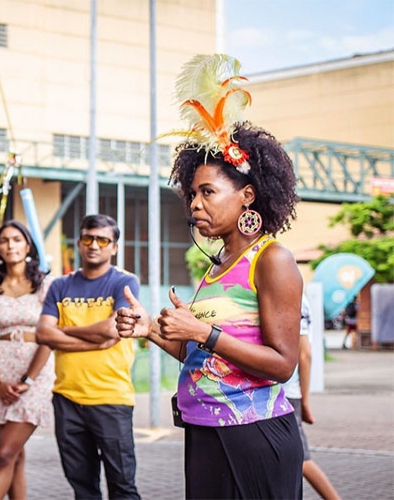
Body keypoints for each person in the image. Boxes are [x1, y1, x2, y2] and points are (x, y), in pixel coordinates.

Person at [116, 54, 303, 499]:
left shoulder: (271, 259)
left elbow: (282, 365)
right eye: (191, 193)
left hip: (254, 435)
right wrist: (152, 332)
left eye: (207, 192)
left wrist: (203, 329)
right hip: (205, 430)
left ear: (247, 197)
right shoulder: (217, 266)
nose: (194, 204)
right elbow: (205, 359)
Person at [36, 214, 142, 500]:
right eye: (87, 238)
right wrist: (95, 341)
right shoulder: (60, 286)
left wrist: (65, 330)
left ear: (114, 247)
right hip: (67, 399)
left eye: (103, 240)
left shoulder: (125, 283)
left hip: (111, 399)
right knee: (82, 488)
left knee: (122, 486)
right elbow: (44, 335)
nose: (94, 245)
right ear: (79, 242)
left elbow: (112, 329)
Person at [0, 220, 54, 500]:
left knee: (4, 454)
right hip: (2, 375)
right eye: (4, 241)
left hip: (36, 376)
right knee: (15, 458)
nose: (11, 245)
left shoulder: (45, 285)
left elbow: (49, 337)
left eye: (17, 239)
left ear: (28, 245)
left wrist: (29, 379)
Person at [283, 295, 341, 500]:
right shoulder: (300, 296)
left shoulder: (289, 294)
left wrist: (304, 400)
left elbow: (304, 352)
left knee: (301, 458)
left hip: (284, 394)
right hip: (288, 393)